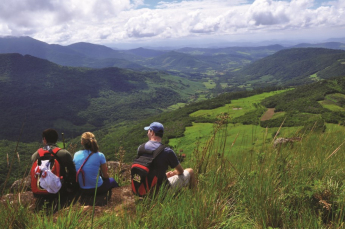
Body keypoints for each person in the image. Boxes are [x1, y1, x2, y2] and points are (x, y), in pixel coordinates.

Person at [139, 122, 196, 191]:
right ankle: (194, 196)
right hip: (160, 191)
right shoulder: (167, 151)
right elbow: (181, 171)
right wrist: (174, 173)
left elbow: (149, 169)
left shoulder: (140, 148)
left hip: (142, 188)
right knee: (190, 171)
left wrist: (165, 176)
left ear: (152, 133)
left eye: (148, 131)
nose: (147, 133)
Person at [31, 128, 77, 211]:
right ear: (56, 139)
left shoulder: (36, 155)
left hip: (39, 191)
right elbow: (73, 172)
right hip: (59, 190)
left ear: (44, 139)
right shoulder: (64, 153)